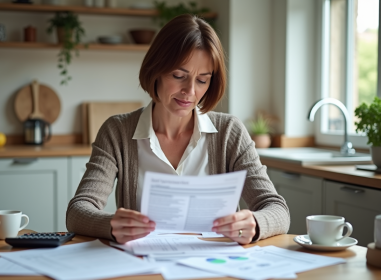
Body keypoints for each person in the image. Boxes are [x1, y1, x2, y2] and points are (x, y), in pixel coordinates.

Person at [66, 14, 290, 244]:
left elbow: (277, 209)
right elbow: (78, 211)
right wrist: (111, 225)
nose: (190, 91)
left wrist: (255, 223)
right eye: (178, 76)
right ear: (156, 71)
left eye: (202, 80)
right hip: (143, 269)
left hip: (215, 270)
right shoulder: (117, 132)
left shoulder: (229, 132)